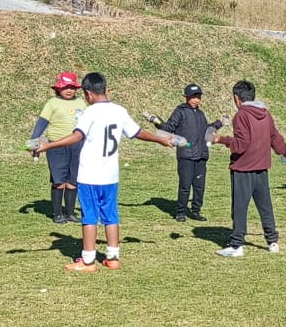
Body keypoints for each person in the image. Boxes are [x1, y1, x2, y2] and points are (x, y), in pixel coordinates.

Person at [32, 71, 185, 272]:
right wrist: (162, 139)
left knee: (89, 216)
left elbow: (77, 136)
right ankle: (113, 257)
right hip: (110, 175)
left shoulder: (90, 112)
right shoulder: (119, 111)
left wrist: (47, 146)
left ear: (87, 94)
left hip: (89, 175)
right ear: (106, 90)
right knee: (111, 215)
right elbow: (137, 133)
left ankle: (88, 261)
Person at [214, 79, 286, 257]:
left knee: (240, 207)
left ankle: (236, 245)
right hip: (262, 167)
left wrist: (222, 140)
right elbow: (275, 136)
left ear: (237, 98)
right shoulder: (265, 113)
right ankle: (272, 241)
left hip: (243, 168)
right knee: (265, 206)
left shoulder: (241, 116)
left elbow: (240, 145)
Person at [158, 83, 221, 222]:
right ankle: (181, 212)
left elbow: (206, 130)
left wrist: (219, 123)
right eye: (193, 97)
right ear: (186, 97)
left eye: (198, 97)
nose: (196, 100)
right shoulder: (180, 111)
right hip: (186, 155)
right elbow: (169, 127)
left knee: (199, 187)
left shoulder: (200, 114)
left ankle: (195, 211)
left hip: (201, 156)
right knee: (185, 185)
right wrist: (156, 121)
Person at [29, 72, 85, 224]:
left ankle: (70, 213)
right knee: (59, 180)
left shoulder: (81, 103)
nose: (69, 90)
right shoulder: (52, 103)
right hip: (56, 145)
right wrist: (34, 140)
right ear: (58, 88)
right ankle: (58, 213)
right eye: (66, 87)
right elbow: (42, 122)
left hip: (77, 145)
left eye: (72, 87)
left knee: (73, 181)